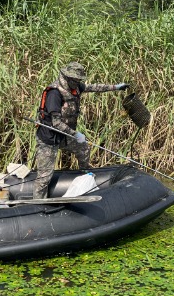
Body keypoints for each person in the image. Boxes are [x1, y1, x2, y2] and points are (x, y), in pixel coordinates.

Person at [34, 62, 129, 199]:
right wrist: (76, 134)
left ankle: (86, 176)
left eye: (79, 79)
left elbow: (93, 87)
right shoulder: (54, 93)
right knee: (44, 177)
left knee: (83, 147)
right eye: (76, 79)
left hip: (65, 136)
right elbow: (55, 123)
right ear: (67, 78)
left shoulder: (76, 87)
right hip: (49, 138)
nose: (78, 82)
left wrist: (116, 87)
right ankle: (37, 204)